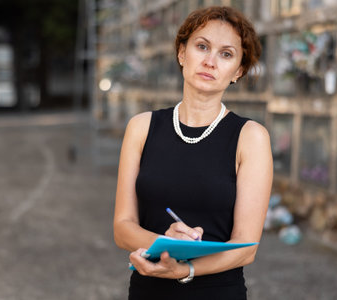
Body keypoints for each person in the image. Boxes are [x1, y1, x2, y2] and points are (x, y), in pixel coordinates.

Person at [114, 6, 273, 300]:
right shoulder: (141, 127)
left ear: (238, 71)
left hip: (218, 292)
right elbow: (122, 228)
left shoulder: (251, 138)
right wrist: (164, 241)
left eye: (226, 54)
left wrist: (185, 270)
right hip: (148, 290)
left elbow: (246, 247)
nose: (210, 62)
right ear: (182, 54)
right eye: (202, 47)